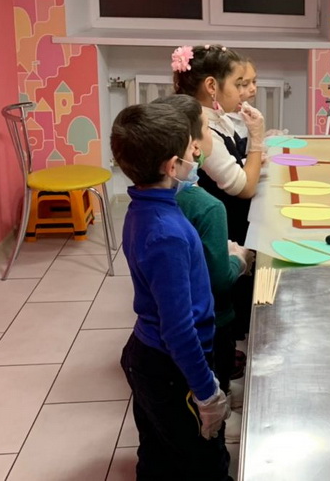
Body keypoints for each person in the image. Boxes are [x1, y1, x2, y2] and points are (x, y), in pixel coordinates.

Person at [111, 103, 231, 481]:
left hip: (148, 358)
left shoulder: (142, 206)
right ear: (171, 165)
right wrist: (206, 393)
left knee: (159, 455)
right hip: (171, 369)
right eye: (187, 151)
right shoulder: (166, 233)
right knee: (205, 464)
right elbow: (179, 330)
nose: (194, 154)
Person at [151, 95, 250, 444]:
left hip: (160, 343)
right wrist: (239, 259)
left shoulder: (148, 204)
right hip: (212, 322)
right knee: (215, 375)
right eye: (207, 129)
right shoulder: (208, 207)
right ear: (191, 147)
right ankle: (220, 424)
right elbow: (218, 281)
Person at [171, 45, 264, 244]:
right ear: (212, 86)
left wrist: (249, 161)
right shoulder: (204, 130)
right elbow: (245, 188)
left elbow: (228, 164)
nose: (242, 93)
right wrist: (256, 138)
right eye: (238, 84)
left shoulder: (219, 117)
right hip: (228, 234)